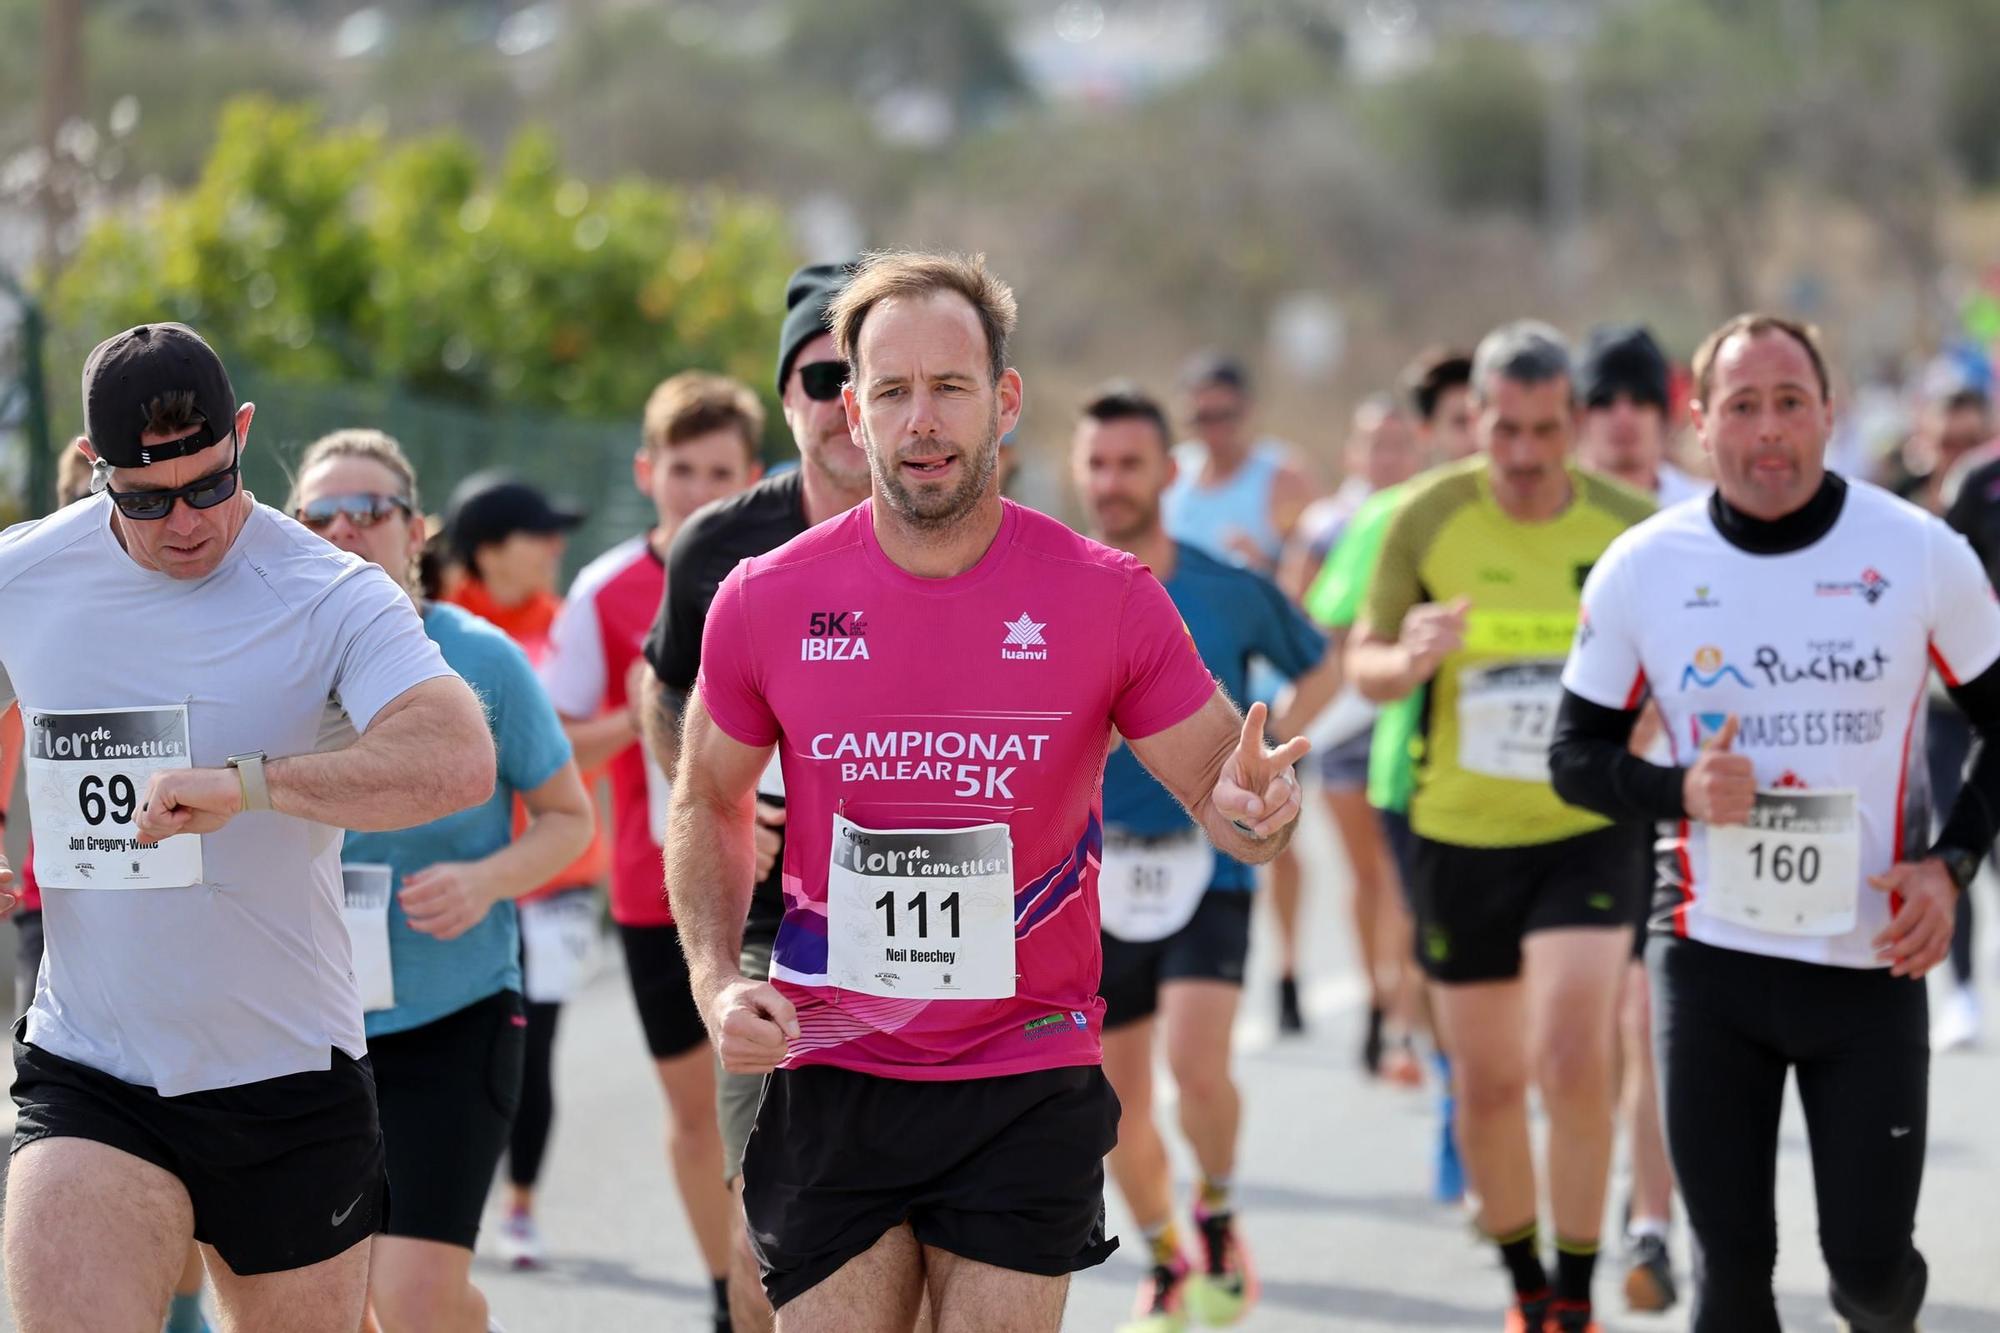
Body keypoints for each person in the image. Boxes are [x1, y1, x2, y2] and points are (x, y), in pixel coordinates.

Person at [666, 251, 1311, 1333]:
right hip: (835, 1062)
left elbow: (1217, 788)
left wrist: (1255, 817)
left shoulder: (1104, 599)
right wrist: (716, 977)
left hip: (1025, 1063)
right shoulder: (763, 600)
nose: (922, 420)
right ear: (853, 413)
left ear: (1003, 401)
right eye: (890, 391)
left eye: (950, 387)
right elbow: (706, 801)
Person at [0, 322, 494, 1331]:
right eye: (144, 499)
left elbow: (455, 757)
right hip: (92, 1063)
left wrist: (252, 787)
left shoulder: (330, 590)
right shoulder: (23, 574)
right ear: (94, 469)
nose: (185, 522)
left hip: (284, 1077)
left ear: (245, 435)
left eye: (209, 484)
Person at [1550, 312, 2000, 1333]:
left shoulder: (1918, 553)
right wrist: (1675, 793)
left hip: (1868, 964)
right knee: (1732, 1275)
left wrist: (1950, 864)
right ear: (1697, 425)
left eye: (1788, 404)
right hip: (1708, 963)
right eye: (1741, 406)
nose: (1766, 431)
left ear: (1827, 417)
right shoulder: (1642, 565)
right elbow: (1571, 757)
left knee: (1867, 1273)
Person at [1348, 321, 1653, 1333]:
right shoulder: (1428, 515)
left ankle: (1574, 1291)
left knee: (1571, 1054)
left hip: (1583, 823)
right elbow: (1364, 662)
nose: (1522, 457)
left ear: (1570, 423)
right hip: (1459, 831)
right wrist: (1411, 659)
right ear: (1473, 422)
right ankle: (1525, 1285)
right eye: (1503, 432)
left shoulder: (1625, 522)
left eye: (1542, 432)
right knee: (1486, 1086)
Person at [290, 430, 594, 1333]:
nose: (345, 529)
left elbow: (567, 817)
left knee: (410, 1298)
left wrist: (486, 879)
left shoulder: (482, 661)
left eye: (370, 510)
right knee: (338, 1303)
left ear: (415, 528)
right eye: (321, 514)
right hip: (299, 1025)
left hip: (450, 1019)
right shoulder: (262, 665)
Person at [1071, 383, 1338, 1332]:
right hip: (1092, 875)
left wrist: (1277, 753)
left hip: (1209, 852)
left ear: (1169, 473)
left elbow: (1321, 655)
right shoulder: (1060, 586)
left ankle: (1216, 1208)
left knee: (1198, 1061)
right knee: (1114, 1097)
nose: (1111, 482)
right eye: (1096, 463)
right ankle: (1165, 1257)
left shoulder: (1224, 587)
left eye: (1130, 463)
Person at [635, 259, 866, 1333]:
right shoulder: (719, 547)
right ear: (787, 400)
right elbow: (663, 685)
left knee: (910, 1244)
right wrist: (709, 795)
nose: (853, 402)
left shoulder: (984, 536)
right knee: (764, 1227)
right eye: (826, 376)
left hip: (945, 937)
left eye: (883, 374)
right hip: (778, 932)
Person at [541, 372, 766, 1331]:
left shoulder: (785, 563)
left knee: (777, 1119)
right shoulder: (604, 590)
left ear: (755, 474)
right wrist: (650, 710)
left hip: (782, 889)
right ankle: (727, 1291)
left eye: (721, 470)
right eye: (682, 468)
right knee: (696, 1118)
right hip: (650, 891)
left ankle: (771, 1279)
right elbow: (552, 740)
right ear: (647, 472)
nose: (700, 489)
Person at [1303, 346, 1477, 1201]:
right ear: (1434, 432)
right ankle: (1456, 1090)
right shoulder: (1394, 517)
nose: (1483, 434)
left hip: (1551, 793)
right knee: (1434, 945)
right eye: (1462, 420)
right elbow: (1332, 626)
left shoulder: (1577, 516)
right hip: (1418, 773)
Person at [437, 471, 604, 1270]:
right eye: (540, 532)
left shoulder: (566, 624)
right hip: (462, 876)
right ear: (493, 549)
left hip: (560, 877)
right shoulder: (440, 627)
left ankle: (524, 1205)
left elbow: (566, 753)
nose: (556, 546)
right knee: (461, 1052)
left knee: (535, 1048)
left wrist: (620, 722)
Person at [1573, 322, 1703, 1312]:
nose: (1622, 423)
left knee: (1640, 1015)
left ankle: (1651, 1221)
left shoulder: (1699, 520)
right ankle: (1620, 1176)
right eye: (1602, 403)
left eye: (1639, 403)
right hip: (1562, 806)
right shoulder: (1547, 514)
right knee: (1586, 1038)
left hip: (1673, 800)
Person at [1159, 354, 1322, 1037]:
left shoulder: (1280, 477)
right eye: (1200, 416)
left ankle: (1286, 964)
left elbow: (1314, 582)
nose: (1212, 429)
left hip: (1261, 699)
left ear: (1245, 412)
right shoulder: (1172, 478)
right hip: (1178, 697)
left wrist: (1263, 573)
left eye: (1223, 415)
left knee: (1273, 829)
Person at [1287, 395, 1425, 1067]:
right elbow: (1301, 615)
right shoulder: (1328, 523)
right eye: (1374, 443)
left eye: (1398, 443)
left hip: (1407, 710)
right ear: (1352, 454)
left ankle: (1400, 1006)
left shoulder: (1433, 514)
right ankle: (1377, 992)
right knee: (1366, 874)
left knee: (1402, 873)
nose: (1385, 456)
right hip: (1344, 717)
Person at [1914, 385, 1998, 1052]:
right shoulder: (1911, 497)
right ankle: (1963, 989)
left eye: (1968, 441)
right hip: (1943, 703)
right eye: (1947, 442)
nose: (1957, 454)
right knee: (1954, 830)